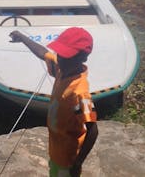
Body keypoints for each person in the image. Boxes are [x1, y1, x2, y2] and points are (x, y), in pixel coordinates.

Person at [9, 27, 98, 177]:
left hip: (67, 157)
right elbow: (42, 53)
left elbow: (93, 130)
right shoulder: (62, 69)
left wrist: (78, 163)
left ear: (82, 58)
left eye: (65, 56)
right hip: (56, 149)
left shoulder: (79, 93)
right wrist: (22, 38)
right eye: (59, 54)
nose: (60, 59)